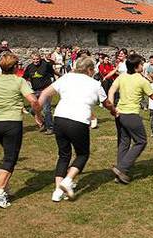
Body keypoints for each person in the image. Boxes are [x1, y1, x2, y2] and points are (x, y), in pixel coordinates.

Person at [37, 56, 116, 202]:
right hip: (78, 121)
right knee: (82, 154)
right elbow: (107, 103)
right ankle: (67, 181)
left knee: (63, 155)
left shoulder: (66, 77)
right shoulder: (95, 84)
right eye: (93, 70)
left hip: (59, 118)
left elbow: (44, 93)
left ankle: (57, 192)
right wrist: (114, 111)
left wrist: (37, 113)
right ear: (89, 69)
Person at [107, 54, 153, 184]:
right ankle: (121, 168)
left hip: (119, 114)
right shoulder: (142, 80)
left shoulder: (122, 77)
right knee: (141, 141)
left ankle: (120, 173)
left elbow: (111, 91)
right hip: (131, 115)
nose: (142, 65)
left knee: (124, 142)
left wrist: (112, 107)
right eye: (140, 64)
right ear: (136, 66)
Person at [0, 53, 43, 208]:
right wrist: (38, 115)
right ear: (16, 67)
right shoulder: (20, 81)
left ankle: (5, 187)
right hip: (11, 123)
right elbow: (33, 100)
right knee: (10, 158)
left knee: (8, 154)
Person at [23, 51, 56, 134]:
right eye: (34, 59)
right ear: (31, 59)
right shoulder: (29, 67)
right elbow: (24, 77)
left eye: (37, 59)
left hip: (46, 90)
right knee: (33, 110)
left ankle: (50, 128)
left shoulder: (45, 65)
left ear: (40, 58)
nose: (36, 61)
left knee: (46, 109)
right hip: (35, 90)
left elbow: (52, 73)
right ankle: (44, 123)